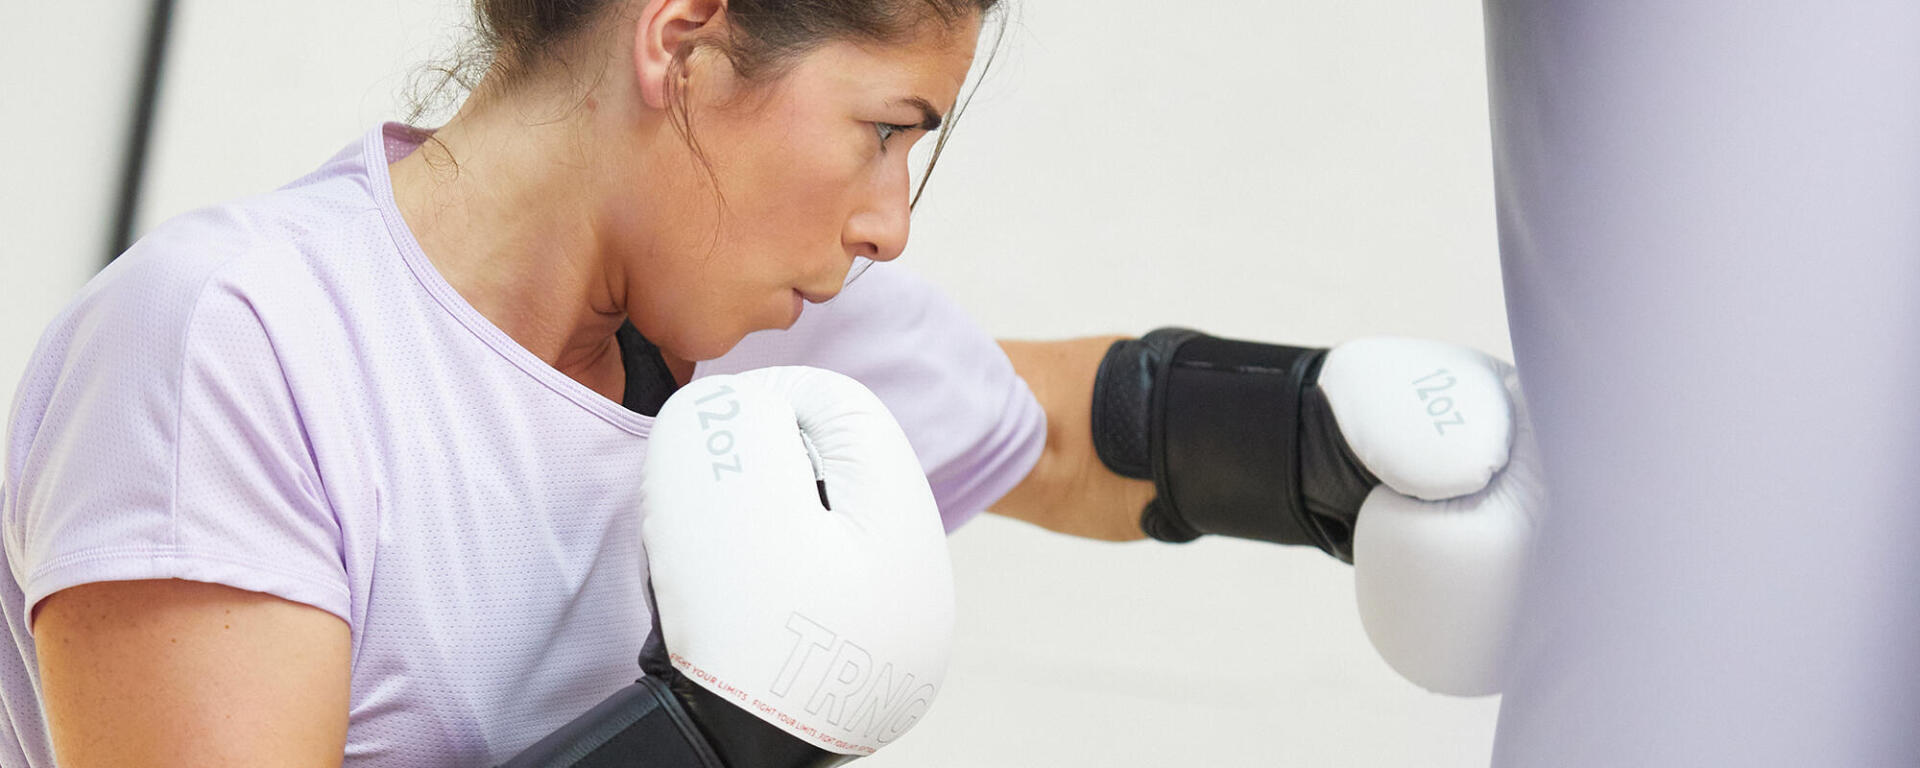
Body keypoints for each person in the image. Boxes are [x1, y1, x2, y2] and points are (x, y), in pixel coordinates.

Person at [0, 0, 1537, 765]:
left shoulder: (765, 321)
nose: (891, 221)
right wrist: (709, 740)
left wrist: (1336, 444)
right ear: (686, 40)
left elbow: (1060, 437)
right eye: (886, 128)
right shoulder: (236, 346)